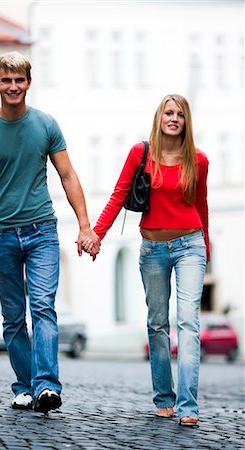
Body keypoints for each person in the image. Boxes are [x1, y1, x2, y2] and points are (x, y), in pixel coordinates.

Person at [0, 51, 100, 414]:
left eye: (19, 80)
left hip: (42, 231)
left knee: (43, 308)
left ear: (28, 83)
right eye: (6, 80)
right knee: (12, 317)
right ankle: (24, 385)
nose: (12, 86)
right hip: (0, 235)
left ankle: (46, 387)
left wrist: (85, 224)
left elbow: (68, 176)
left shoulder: (46, 125)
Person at [84, 94, 209, 427]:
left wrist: (206, 247)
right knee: (157, 324)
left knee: (188, 322)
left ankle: (188, 406)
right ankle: (164, 398)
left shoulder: (198, 160)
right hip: (152, 249)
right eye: (168, 113)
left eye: (180, 114)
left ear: (186, 121)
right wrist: (97, 233)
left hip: (189, 246)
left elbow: (202, 206)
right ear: (159, 117)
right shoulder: (141, 154)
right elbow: (118, 194)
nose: (173, 118)